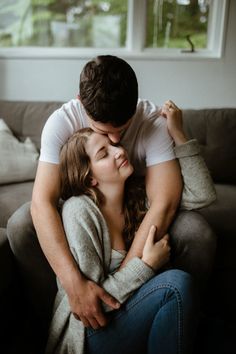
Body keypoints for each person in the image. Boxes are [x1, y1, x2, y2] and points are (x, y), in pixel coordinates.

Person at [7, 55, 216, 334]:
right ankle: (60, 324)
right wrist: (75, 285)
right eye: (104, 134)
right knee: (21, 224)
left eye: (122, 129)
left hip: (135, 210)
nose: (118, 142)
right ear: (81, 102)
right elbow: (42, 202)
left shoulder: (151, 122)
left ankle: (178, 321)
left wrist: (126, 277)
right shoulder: (61, 122)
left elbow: (164, 204)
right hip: (89, 209)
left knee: (197, 230)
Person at [46, 123, 207, 354]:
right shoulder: (79, 211)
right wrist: (146, 266)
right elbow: (92, 305)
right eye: (104, 153)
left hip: (132, 317)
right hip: (89, 333)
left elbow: (202, 195)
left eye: (114, 145)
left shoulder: (140, 198)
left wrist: (179, 134)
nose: (119, 151)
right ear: (89, 177)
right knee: (176, 285)